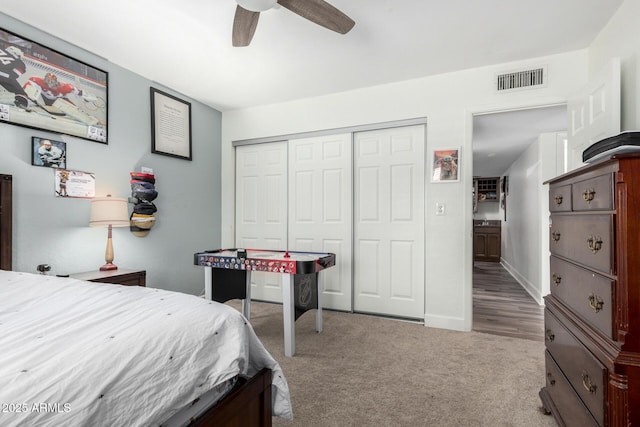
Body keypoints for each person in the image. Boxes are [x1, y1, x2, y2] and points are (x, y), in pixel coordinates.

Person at [24, 72, 96, 106]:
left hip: (58, 99)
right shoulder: (36, 80)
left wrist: (86, 97)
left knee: (74, 109)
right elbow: (27, 87)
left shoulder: (65, 87)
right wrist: (23, 97)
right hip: (44, 98)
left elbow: (78, 92)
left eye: (53, 84)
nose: (52, 86)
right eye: (49, 83)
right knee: (30, 92)